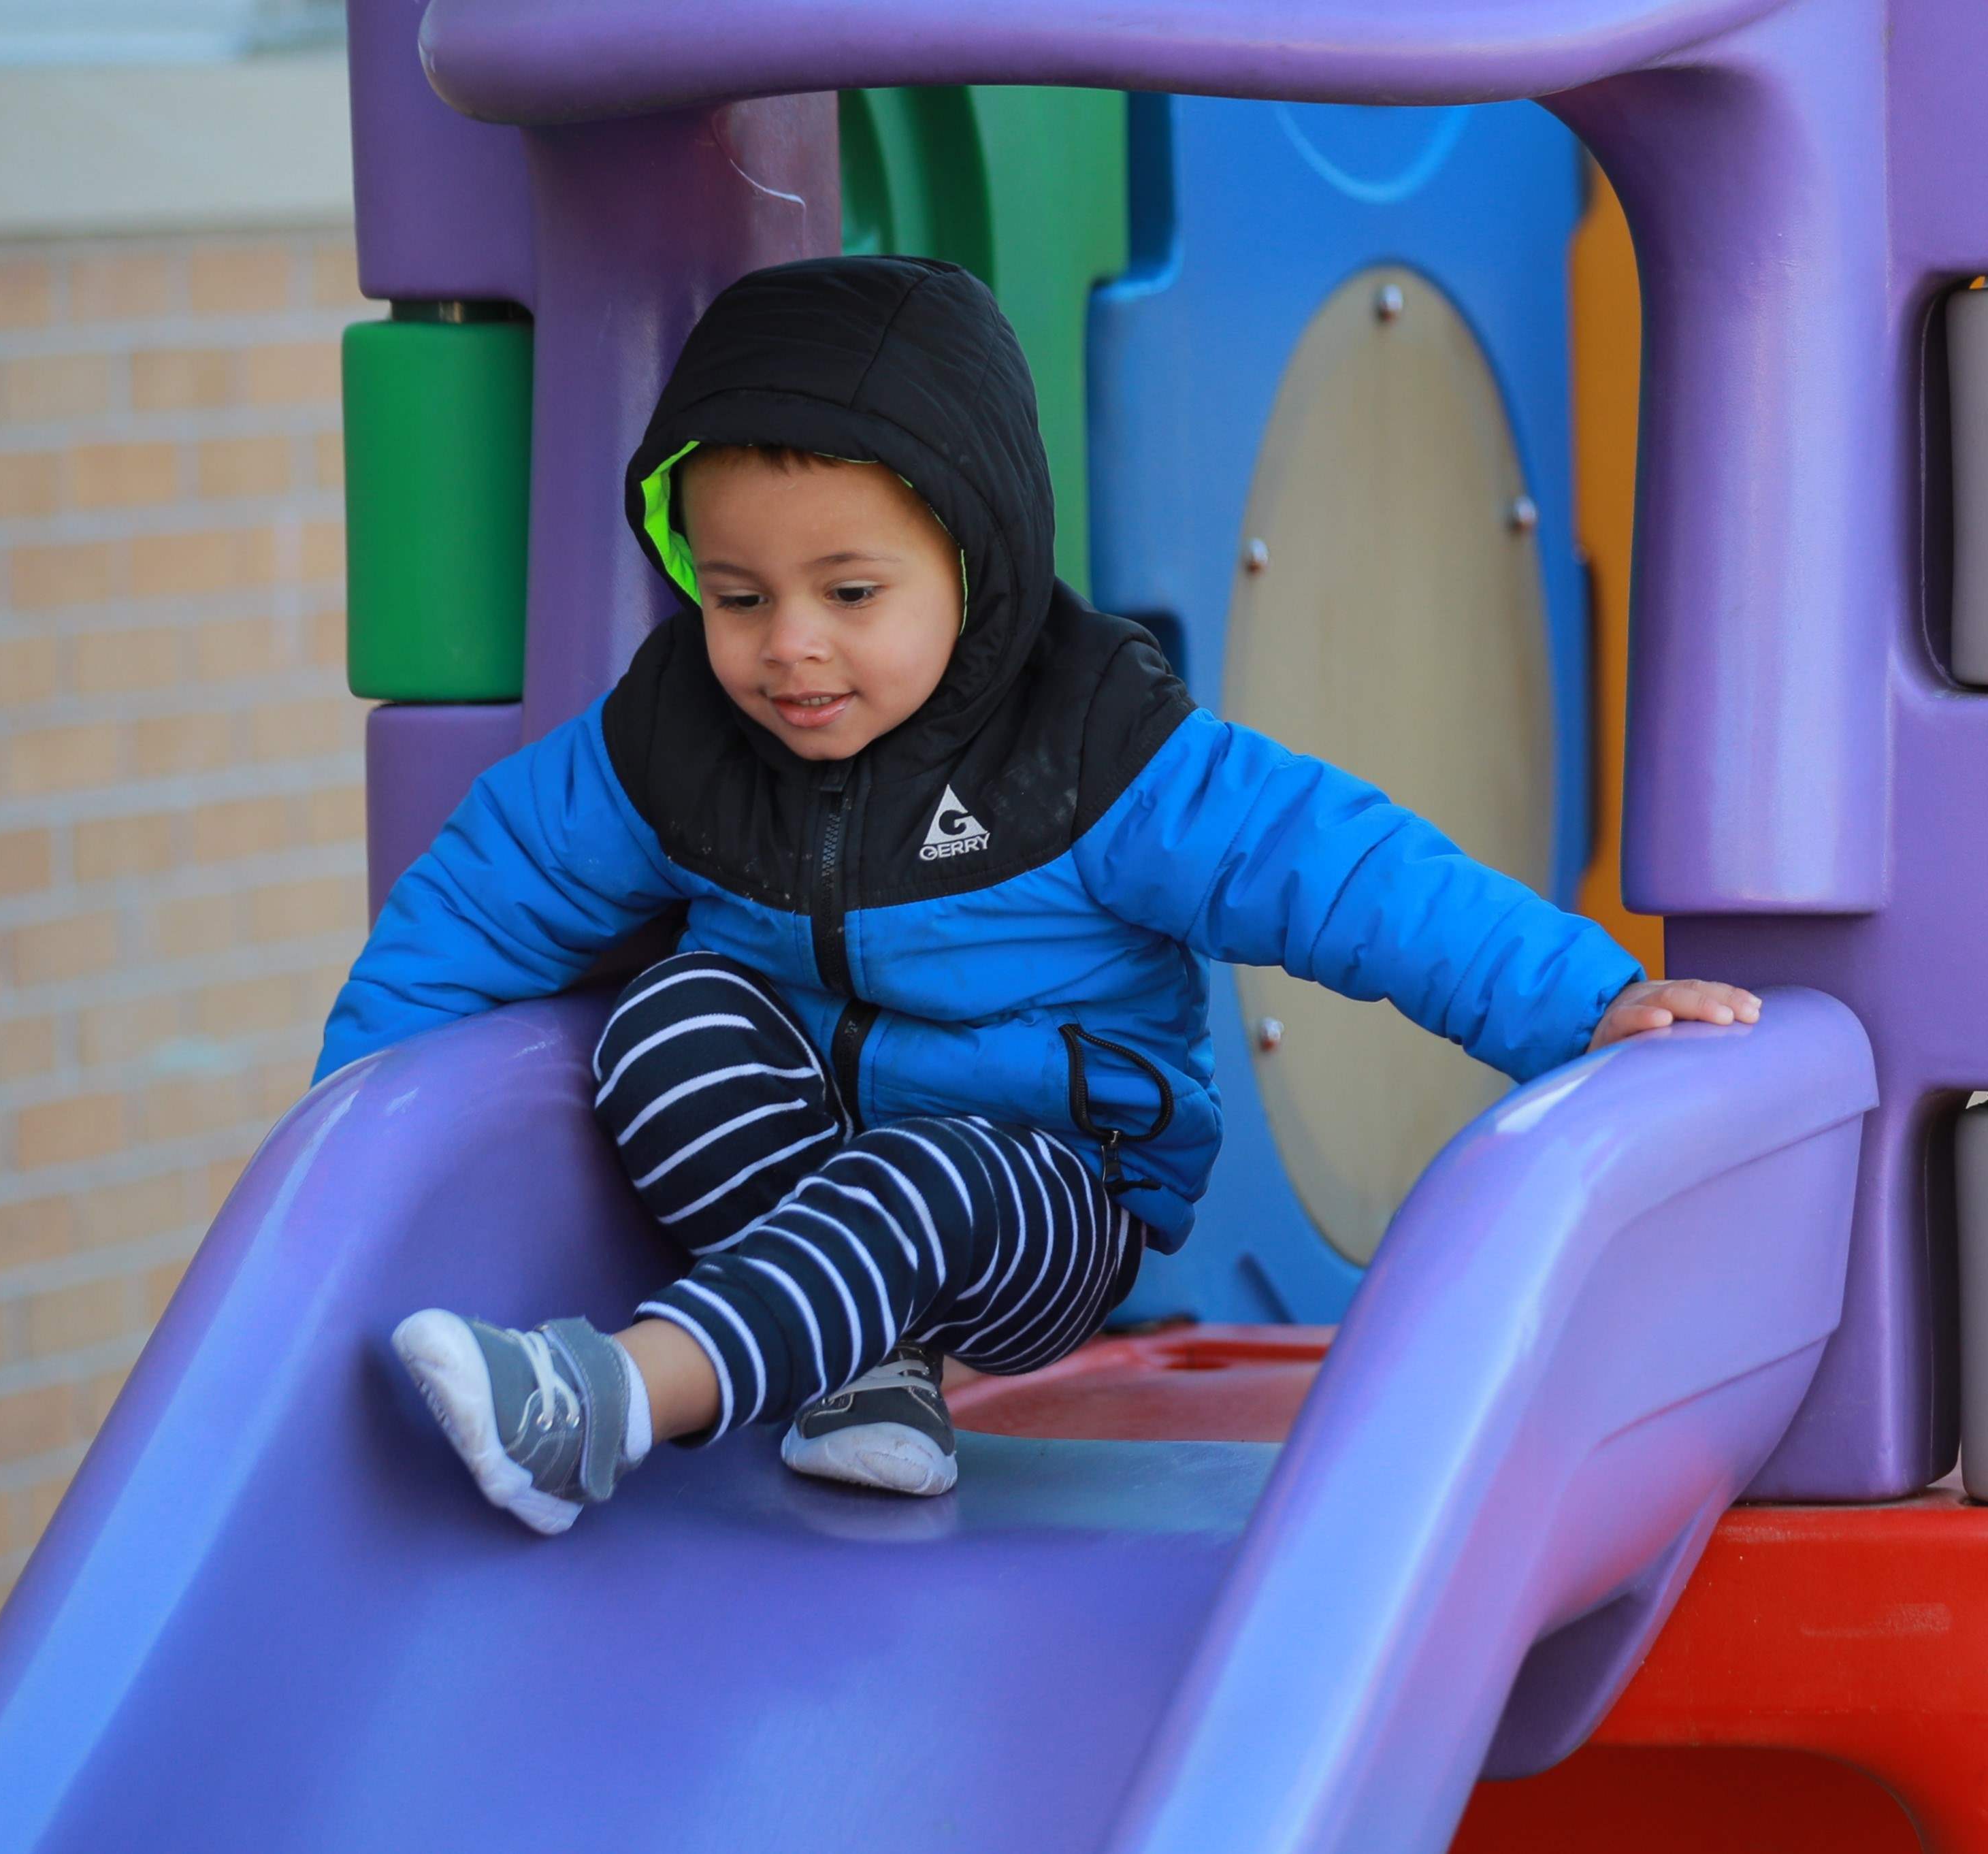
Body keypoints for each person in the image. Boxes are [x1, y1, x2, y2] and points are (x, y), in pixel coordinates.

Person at [319, 256, 1757, 1535]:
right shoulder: (678, 741)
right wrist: (339, 1158)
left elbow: (1347, 872)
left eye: (851, 593)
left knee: (932, 1168)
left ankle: (608, 1404)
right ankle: (863, 1379)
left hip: (1047, 1197)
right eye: (739, 594)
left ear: (974, 556)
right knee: (665, 1021)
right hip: (817, 1177)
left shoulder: (1092, 751)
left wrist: (1585, 1003)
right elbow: (490, 893)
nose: (788, 650)